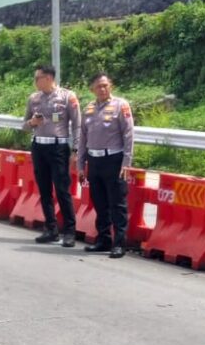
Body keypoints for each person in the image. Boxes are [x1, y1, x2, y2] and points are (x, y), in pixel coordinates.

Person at [76, 73, 135, 259]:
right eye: (98, 86)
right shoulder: (89, 108)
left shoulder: (121, 105)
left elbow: (128, 135)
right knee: (100, 203)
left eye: (105, 85)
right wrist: (80, 164)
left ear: (111, 86)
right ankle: (103, 240)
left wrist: (126, 162)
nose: (102, 89)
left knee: (117, 204)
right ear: (91, 89)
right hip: (94, 161)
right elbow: (83, 138)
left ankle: (119, 243)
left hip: (114, 160)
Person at [23, 64, 81, 247]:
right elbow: (24, 125)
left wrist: (76, 150)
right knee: (44, 190)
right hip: (39, 147)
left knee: (62, 190)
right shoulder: (34, 99)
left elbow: (77, 125)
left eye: (37, 78)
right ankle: (51, 228)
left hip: (58, 148)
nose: (35, 82)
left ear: (48, 78)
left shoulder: (67, 97)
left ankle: (69, 231)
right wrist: (32, 122)